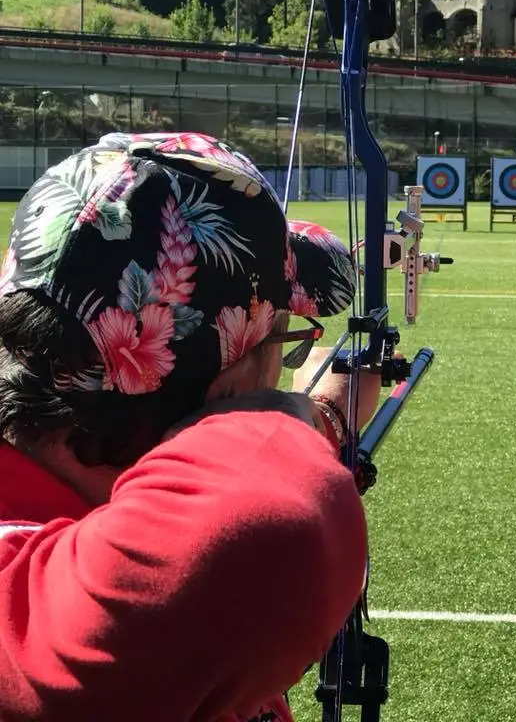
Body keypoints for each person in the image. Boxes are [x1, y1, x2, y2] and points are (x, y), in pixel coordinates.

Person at [0, 131, 381, 722]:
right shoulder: (97, 612)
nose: (289, 370)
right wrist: (315, 420)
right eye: (286, 340)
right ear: (223, 391)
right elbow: (273, 522)